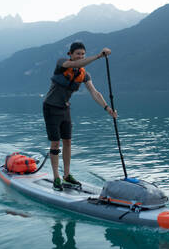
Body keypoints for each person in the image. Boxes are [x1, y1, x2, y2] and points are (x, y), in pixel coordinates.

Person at [43, 41, 117, 191]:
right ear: (70, 54)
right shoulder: (62, 63)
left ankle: (67, 175)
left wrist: (107, 108)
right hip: (50, 107)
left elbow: (94, 92)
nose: (81, 56)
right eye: (78, 54)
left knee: (68, 142)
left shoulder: (84, 74)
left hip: (64, 108)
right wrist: (98, 56)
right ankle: (56, 177)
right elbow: (80, 63)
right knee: (55, 143)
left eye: (83, 54)